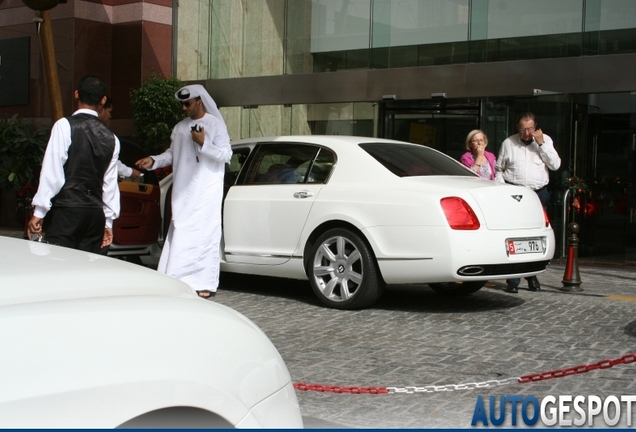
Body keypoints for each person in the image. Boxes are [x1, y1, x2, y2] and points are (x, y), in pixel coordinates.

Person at [135, 84, 232, 299]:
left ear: (199, 101)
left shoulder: (215, 125)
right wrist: (153, 161)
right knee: (181, 232)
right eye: (182, 104)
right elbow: (171, 154)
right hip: (184, 192)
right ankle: (176, 279)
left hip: (206, 192)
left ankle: (203, 282)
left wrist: (203, 142)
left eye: (187, 104)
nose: (184, 108)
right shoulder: (180, 128)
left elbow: (226, 155)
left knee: (204, 235)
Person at [27, 75, 120, 253]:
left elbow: (52, 171)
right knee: (86, 271)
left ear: (76, 94)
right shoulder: (112, 139)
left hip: (67, 211)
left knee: (58, 266)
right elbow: (110, 185)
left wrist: (39, 212)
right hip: (95, 214)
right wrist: (108, 222)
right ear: (103, 100)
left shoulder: (64, 125)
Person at [495, 112, 561, 293]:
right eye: (523, 129)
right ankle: (513, 281)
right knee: (515, 236)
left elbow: (555, 165)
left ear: (536, 126)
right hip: (515, 192)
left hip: (538, 193)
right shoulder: (508, 143)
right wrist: (504, 189)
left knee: (534, 236)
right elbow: (499, 169)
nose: (526, 133)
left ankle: (532, 275)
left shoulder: (544, 140)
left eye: (530, 129)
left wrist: (541, 144)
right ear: (518, 128)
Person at [98, 96, 142, 180]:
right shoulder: (105, 136)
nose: (110, 116)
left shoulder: (70, 127)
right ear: (101, 110)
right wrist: (129, 172)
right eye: (109, 112)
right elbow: (110, 162)